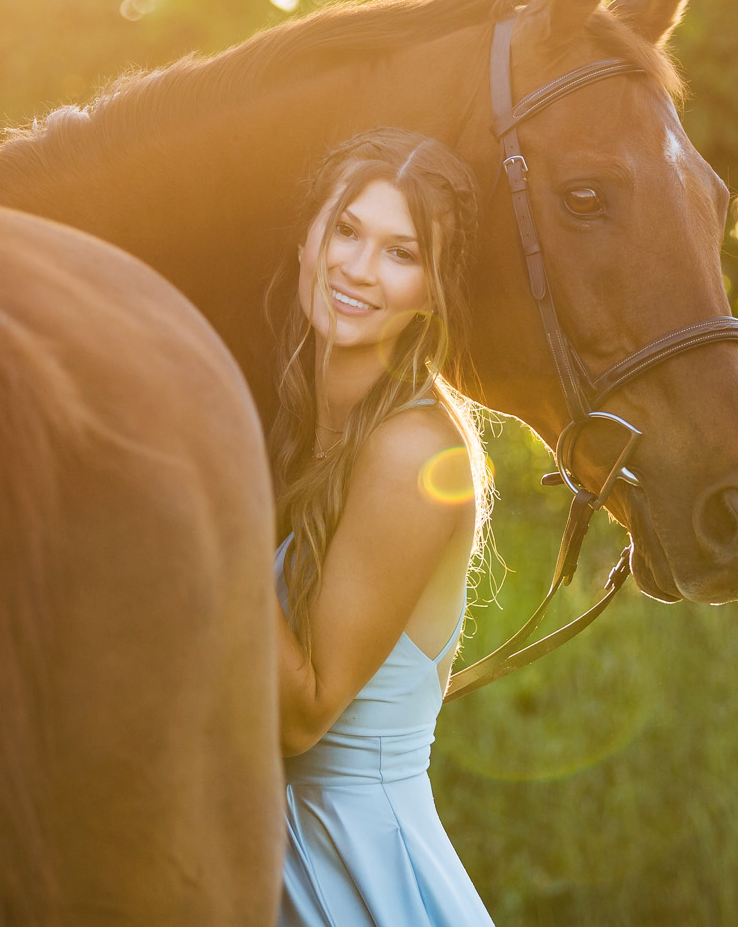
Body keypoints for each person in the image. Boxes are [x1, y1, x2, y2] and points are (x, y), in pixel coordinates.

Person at [269, 127, 496, 927]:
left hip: (348, 869)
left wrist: (201, 501)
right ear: (308, 239)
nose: (358, 268)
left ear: (433, 290)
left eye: (401, 253)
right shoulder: (303, 423)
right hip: (263, 850)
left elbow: (303, 716)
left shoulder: (413, 452)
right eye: (347, 230)